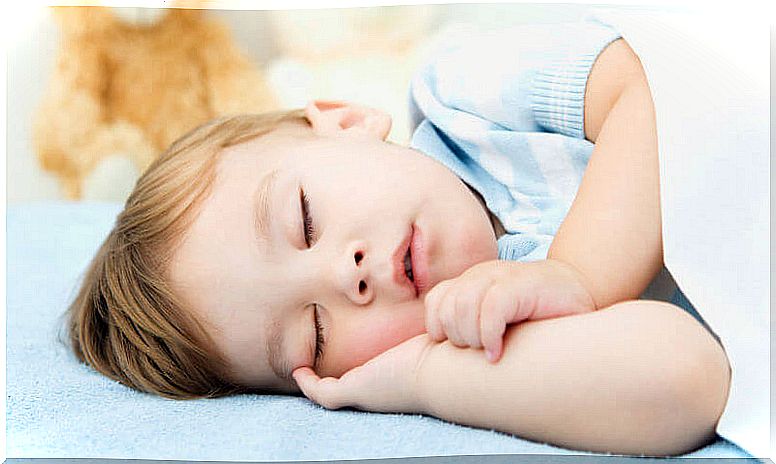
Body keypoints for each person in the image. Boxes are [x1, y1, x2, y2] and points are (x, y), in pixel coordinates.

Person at [64, 18, 731, 456]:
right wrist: (424, 376)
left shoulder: (465, 94)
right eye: (315, 334)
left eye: (304, 219)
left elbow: (652, 84)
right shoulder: (476, 339)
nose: (343, 275)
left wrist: (576, 275)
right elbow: (688, 380)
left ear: (346, 121)